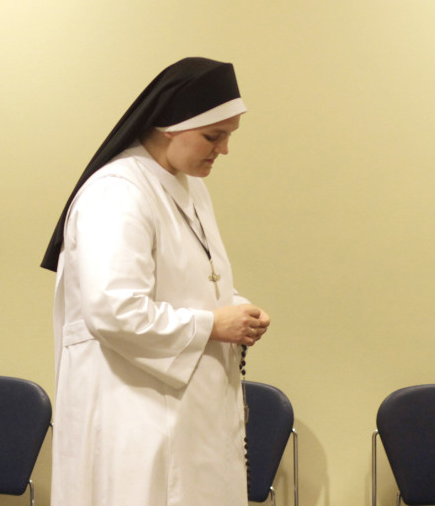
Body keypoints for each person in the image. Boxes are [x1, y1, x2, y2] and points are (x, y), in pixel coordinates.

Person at [40, 57, 271, 506]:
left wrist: (236, 308)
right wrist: (213, 325)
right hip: (135, 416)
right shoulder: (118, 193)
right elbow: (114, 310)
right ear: (171, 125)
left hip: (186, 412)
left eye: (228, 136)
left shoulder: (187, 185)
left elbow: (189, 282)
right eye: (213, 135)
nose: (223, 150)